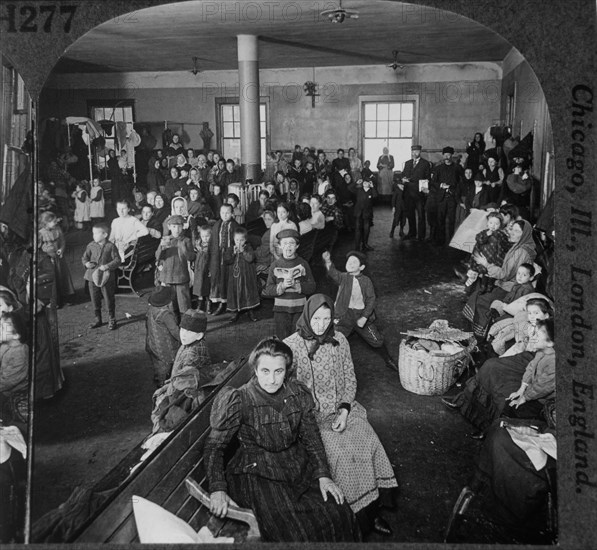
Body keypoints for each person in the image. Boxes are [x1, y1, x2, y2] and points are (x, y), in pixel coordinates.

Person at [204, 337, 360, 543]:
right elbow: (214, 447)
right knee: (296, 533)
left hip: (295, 465)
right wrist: (217, 488)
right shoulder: (241, 399)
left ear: (287, 370)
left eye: (278, 371)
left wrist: (323, 475)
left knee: (340, 513)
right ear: (256, 370)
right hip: (256, 473)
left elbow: (311, 436)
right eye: (265, 371)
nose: (271, 379)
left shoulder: (296, 392)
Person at [284, 295, 398, 536]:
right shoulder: (291, 346)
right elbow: (284, 388)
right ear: (307, 315)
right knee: (339, 455)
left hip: (343, 409)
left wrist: (345, 411)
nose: (322, 324)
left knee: (367, 440)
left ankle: (373, 509)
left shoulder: (340, 340)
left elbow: (350, 377)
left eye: (327, 318)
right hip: (312, 419)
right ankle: (355, 518)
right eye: (316, 318)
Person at [443, 319, 555, 438]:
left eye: (537, 335)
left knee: (510, 403)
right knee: (490, 366)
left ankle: (489, 430)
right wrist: (522, 389)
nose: (532, 337)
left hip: (541, 399)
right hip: (533, 387)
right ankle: (462, 402)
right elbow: (530, 368)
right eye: (534, 333)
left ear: (550, 343)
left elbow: (541, 387)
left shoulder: (553, 363)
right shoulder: (541, 352)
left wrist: (525, 397)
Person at [322, 251, 398, 371]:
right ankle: (330, 363)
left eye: (354, 262)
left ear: (361, 267)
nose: (350, 264)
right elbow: (332, 273)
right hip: (344, 316)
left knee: (376, 339)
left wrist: (364, 317)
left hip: (361, 316)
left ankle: (388, 360)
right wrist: (328, 261)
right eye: (349, 261)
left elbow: (371, 300)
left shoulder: (366, 281)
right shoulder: (343, 277)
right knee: (335, 338)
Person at [463, 220, 537, 338]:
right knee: (477, 295)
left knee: (479, 300)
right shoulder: (521, 247)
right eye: (512, 229)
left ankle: (479, 337)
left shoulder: (521, 252)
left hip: (510, 290)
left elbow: (504, 274)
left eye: (517, 231)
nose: (512, 233)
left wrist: (486, 264)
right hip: (508, 285)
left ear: (524, 235)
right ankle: (476, 336)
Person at [263, 229, 316, 339]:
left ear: (297, 246)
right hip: (281, 309)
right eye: (285, 243)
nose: (288, 246)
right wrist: (282, 286)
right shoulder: (275, 265)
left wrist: (298, 286)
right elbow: (268, 289)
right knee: (282, 337)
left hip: (300, 308)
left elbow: (312, 286)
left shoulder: (303, 263)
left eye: (291, 243)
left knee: (298, 337)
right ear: (280, 246)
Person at [82, 222, 122, 330]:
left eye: (96, 234)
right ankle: (97, 319)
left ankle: (112, 319)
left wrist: (107, 266)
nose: (94, 236)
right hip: (92, 277)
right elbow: (84, 258)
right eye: (93, 233)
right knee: (94, 299)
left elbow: (118, 260)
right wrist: (86, 263)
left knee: (109, 299)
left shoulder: (110, 246)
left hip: (106, 278)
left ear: (104, 235)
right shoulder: (90, 245)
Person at [156, 215, 196, 321]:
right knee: (170, 304)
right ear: (169, 227)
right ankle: (174, 325)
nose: (176, 229)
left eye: (179, 226)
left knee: (184, 303)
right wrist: (161, 247)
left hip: (181, 278)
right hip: (167, 277)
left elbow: (192, 257)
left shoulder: (186, 241)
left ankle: (186, 325)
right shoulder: (166, 240)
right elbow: (157, 257)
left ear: (183, 227)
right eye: (174, 227)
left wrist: (184, 250)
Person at [462, 212, 511, 294]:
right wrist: (486, 235)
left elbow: (506, 245)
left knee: (491, 276)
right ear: (487, 223)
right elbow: (478, 240)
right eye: (491, 223)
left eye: (496, 223)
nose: (493, 225)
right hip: (484, 257)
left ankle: (489, 289)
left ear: (500, 225)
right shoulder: (484, 233)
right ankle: (481, 288)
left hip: (494, 258)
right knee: (483, 275)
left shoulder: (501, 235)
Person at [38, 211, 75, 307]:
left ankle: (65, 298)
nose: (56, 223)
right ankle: (56, 301)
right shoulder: (41, 233)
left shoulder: (57, 229)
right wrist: (47, 254)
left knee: (62, 277)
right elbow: (39, 247)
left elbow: (62, 240)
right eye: (53, 221)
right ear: (46, 223)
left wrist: (61, 249)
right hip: (49, 260)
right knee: (52, 279)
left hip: (59, 258)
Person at [145, 286, 180, 386]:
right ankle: (162, 385)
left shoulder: (151, 309)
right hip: (165, 348)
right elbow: (175, 331)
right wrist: (184, 340)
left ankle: (157, 377)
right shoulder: (165, 314)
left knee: (157, 364)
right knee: (166, 367)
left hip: (152, 343)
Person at [208, 204, 239, 316]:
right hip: (218, 256)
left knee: (228, 279)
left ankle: (229, 303)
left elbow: (239, 240)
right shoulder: (217, 225)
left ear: (232, 214)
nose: (225, 215)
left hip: (230, 256)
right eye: (222, 213)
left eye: (227, 213)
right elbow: (213, 242)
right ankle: (220, 302)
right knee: (218, 279)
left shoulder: (235, 226)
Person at [224, 227, 259, 323]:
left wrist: (243, 251)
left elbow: (250, 258)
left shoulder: (248, 247)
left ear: (245, 240)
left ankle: (250, 310)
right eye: (237, 240)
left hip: (246, 275)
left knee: (247, 291)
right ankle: (235, 311)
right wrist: (233, 254)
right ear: (234, 239)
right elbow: (227, 260)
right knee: (235, 292)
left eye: (242, 240)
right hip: (234, 278)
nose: (239, 242)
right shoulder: (231, 249)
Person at [427, 146, 462, 246]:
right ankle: (440, 240)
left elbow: (461, 181)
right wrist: (441, 185)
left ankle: (451, 239)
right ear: (443, 156)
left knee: (452, 220)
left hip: (452, 198)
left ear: (452, 156)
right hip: (441, 198)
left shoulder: (457, 168)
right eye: (445, 155)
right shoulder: (438, 168)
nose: (447, 157)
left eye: (449, 155)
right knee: (440, 219)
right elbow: (432, 183)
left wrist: (455, 190)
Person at [0, 311, 29, 425]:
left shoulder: (20, 352)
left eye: (2, 328)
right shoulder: (4, 346)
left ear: (16, 335)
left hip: (14, 393)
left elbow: (10, 380)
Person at [401, 144, 432, 240]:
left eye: (416, 152)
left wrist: (424, 190)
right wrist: (403, 179)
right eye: (413, 152)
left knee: (421, 215)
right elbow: (403, 175)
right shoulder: (407, 163)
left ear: (420, 152)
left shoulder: (425, 163)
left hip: (419, 194)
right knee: (410, 214)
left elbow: (427, 178)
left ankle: (421, 236)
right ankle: (412, 233)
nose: (414, 153)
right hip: (408, 193)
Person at [170, 309, 211, 380]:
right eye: (182, 329)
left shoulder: (191, 356)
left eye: (189, 332)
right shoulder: (192, 342)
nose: (183, 335)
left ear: (199, 335)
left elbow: (183, 381)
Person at [350, 179, 377, 251]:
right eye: (364, 182)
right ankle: (357, 246)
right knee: (358, 230)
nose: (365, 183)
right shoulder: (359, 190)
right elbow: (349, 188)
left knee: (366, 229)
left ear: (370, 183)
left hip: (367, 214)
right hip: (358, 213)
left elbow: (375, 196)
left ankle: (365, 244)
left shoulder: (371, 191)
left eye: (367, 182)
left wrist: (373, 187)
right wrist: (356, 182)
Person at [192, 225, 212, 313]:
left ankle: (208, 303)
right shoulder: (198, 245)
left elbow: (212, 260)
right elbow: (195, 256)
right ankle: (200, 303)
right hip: (198, 269)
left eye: (207, 236)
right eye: (203, 236)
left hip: (206, 269)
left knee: (207, 287)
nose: (205, 238)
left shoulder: (211, 247)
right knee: (198, 287)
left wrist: (211, 270)